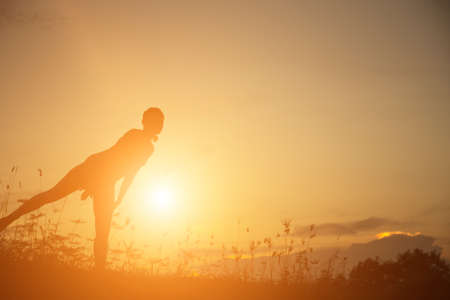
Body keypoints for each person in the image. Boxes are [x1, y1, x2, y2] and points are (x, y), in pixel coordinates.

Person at [0, 107, 164, 269]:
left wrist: (118, 199)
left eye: (161, 121)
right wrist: (94, 184)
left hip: (106, 183)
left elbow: (130, 173)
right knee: (51, 196)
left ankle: (99, 274)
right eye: (157, 121)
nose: (160, 124)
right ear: (145, 122)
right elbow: (113, 160)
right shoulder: (133, 135)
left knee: (103, 230)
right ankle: (6, 221)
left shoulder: (149, 149)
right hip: (91, 170)